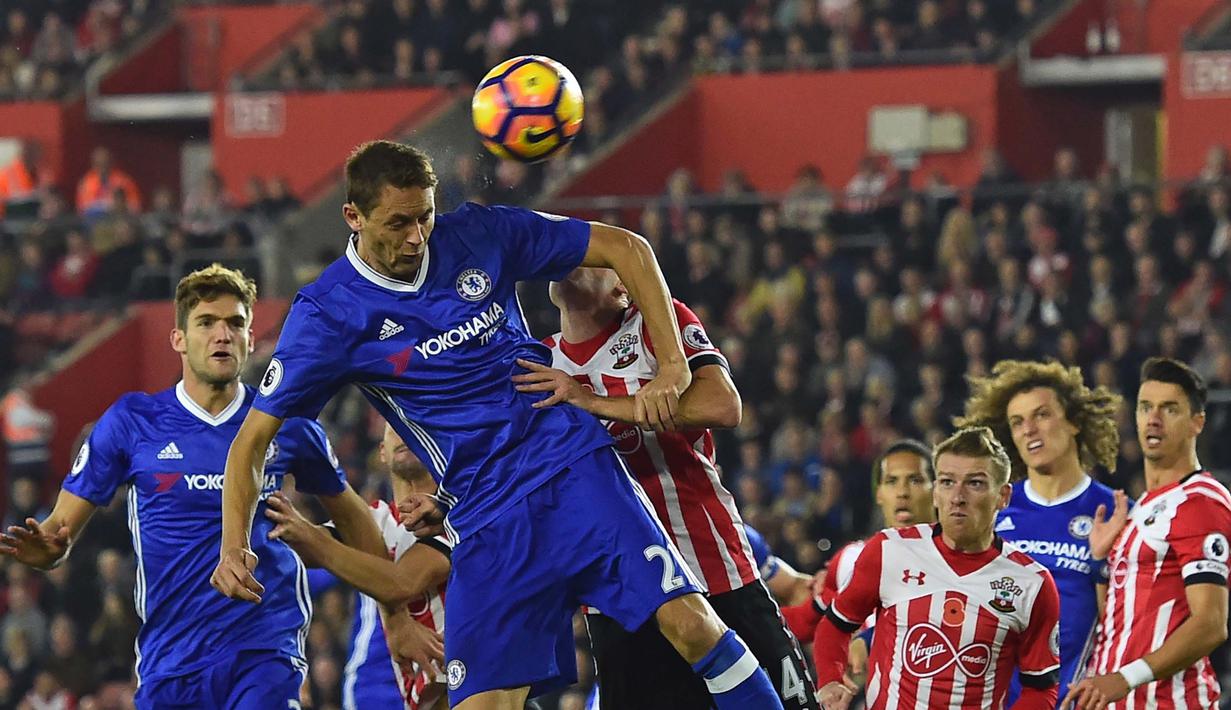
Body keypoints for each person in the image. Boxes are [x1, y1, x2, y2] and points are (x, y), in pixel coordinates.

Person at [210, 140, 783, 710]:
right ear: (353, 218)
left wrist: (674, 367)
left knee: (689, 624)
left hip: (571, 467)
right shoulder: (327, 314)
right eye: (398, 222)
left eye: (425, 216)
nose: (417, 236)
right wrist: (232, 545)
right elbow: (252, 440)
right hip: (484, 511)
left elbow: (627, 248)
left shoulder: (480, 234)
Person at [0, 264, 417, 708]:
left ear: (251, 340)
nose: (223, 335)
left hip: (264, 650)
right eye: (206, 323)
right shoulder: (133, 422)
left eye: (235, 324)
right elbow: (60, 530)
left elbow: (356, 522)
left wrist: (398, 614)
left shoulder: (287, 424)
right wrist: (49, 552)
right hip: (171, 660)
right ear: (178, 339)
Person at [518, 267, 816, 708]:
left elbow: (722, 404)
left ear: (623, 286)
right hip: (617, 594)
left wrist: (594, 404)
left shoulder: (655, 325)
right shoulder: (536, 362)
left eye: (592, 256)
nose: (572, 261)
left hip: (712, 569)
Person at [814, 427, 1061, 710]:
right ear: (935, 493)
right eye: (946, 482)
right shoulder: (889, 550)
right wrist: (830, 680)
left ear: (1003, 496)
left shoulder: (1031, 583)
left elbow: (1041, 688)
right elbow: (835, 626)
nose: (957, 497)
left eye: (975, 483)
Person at [957, 360, 1129, 703]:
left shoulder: (1116, 513)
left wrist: (1100, 563)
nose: (1029, 430)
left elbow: (1128, 622)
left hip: (1076, 697)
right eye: (1017, 422)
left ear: (1075, 422)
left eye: (1042, 415)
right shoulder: (993, 511)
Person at [1066, 358, 1231, 710]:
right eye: (1145, 407)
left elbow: (1211, 624)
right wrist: (1100, 561)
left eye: (1169, 409)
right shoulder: (1141, 507)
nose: (1153, 419)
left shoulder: (1200, 501)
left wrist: (1124, 678)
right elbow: (1118, 622)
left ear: (1196, 423)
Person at [266, 423, 452, 710]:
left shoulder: (460, 517)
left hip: (453, 681)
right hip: (375, 685)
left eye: (414, 423)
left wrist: (309, 535)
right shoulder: (371, 520)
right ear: (382, 452)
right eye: (393, 426)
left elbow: (401, 582)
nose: (403, 432)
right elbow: (296, 550)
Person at [779, 439, 937, 645]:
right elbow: (804, 623)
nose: (902, 492)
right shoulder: (850, 559)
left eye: (915, 480)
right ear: (879, 493)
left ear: (936, 490)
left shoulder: (965, 562)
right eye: (892, 481)